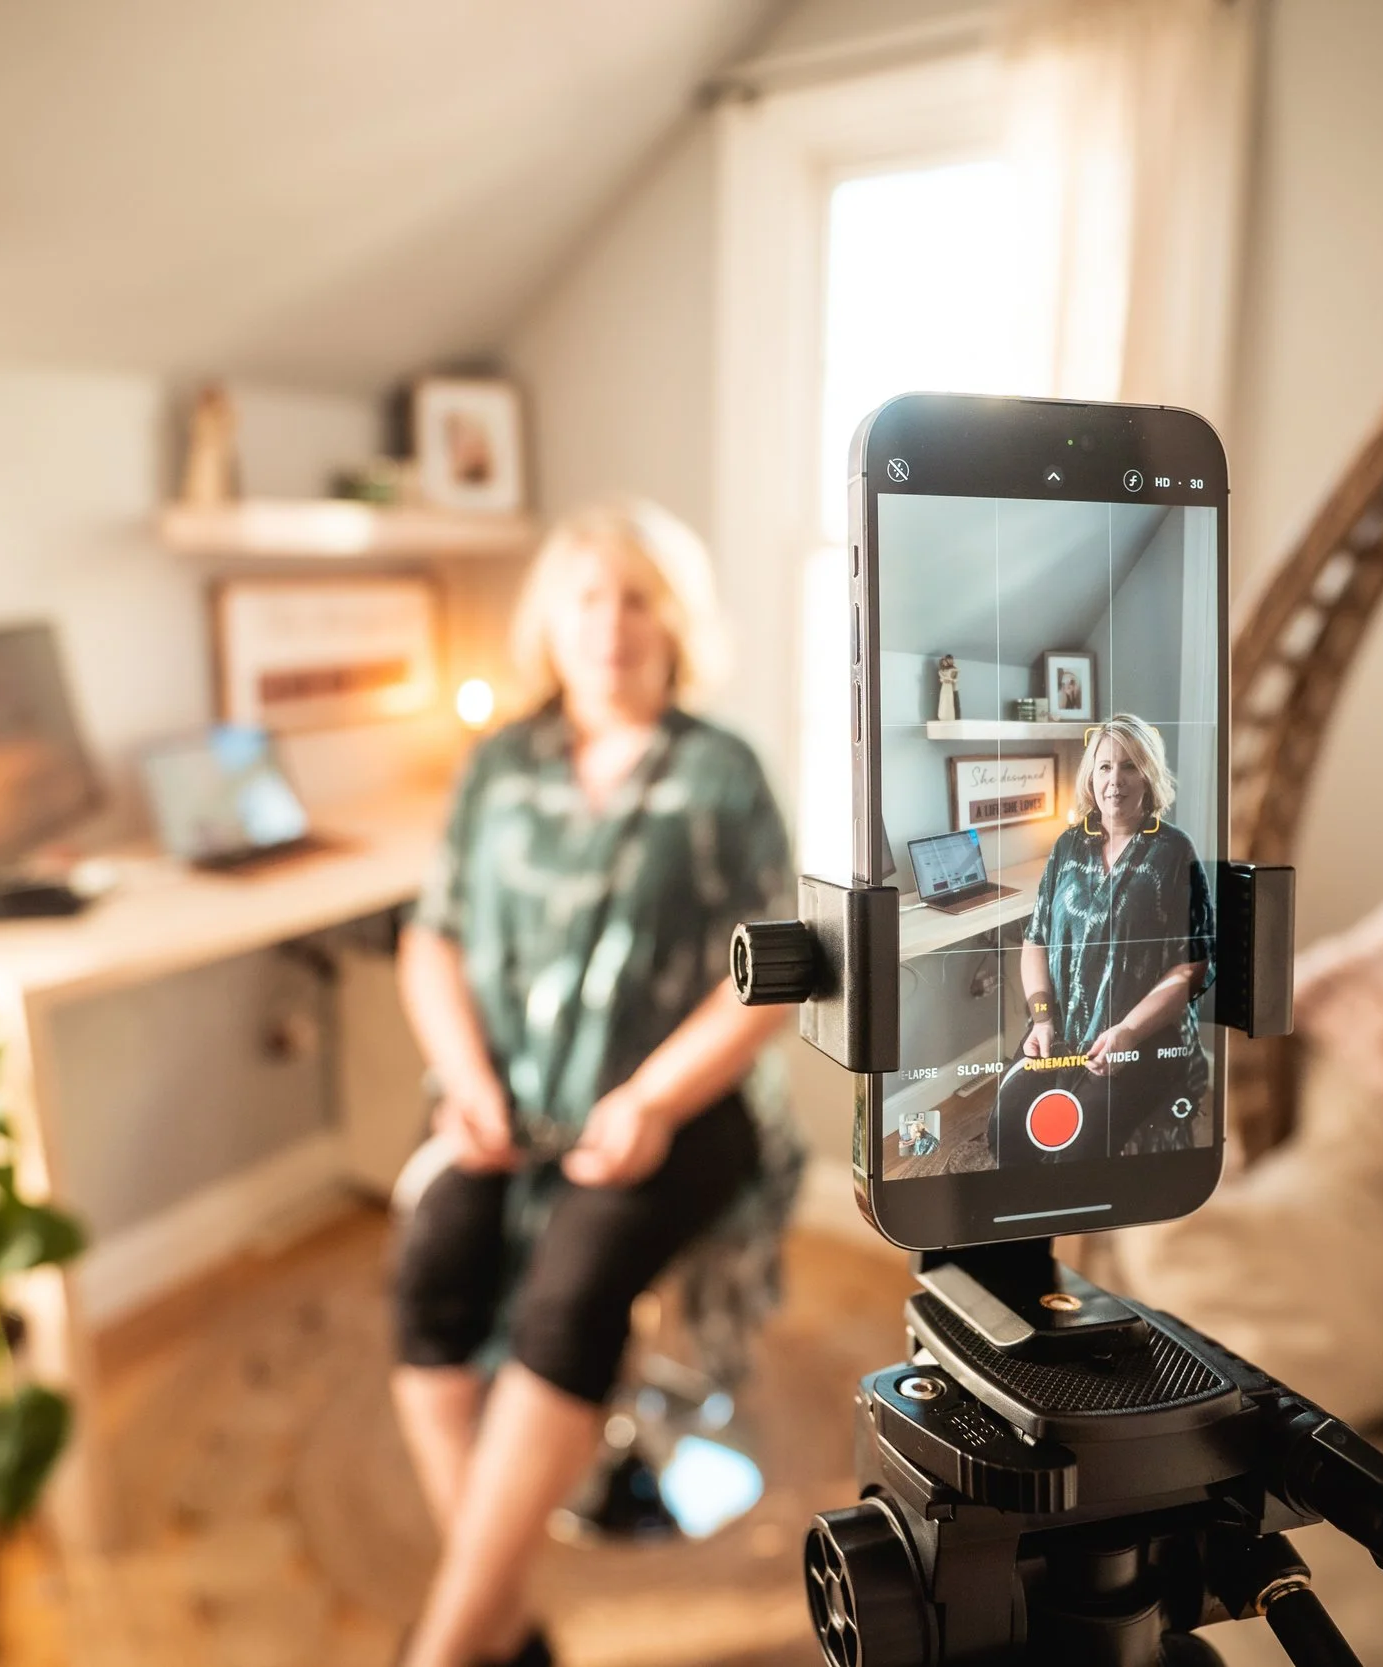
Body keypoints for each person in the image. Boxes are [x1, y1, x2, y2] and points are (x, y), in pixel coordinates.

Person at [388, 499, 800, 1667]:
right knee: (431, 1262)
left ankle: (447, 1644)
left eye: (635, 597)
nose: (609, 624)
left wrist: (653, 1101)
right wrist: (465, 1082)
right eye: (585, 598)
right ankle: (501, 1624)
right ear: (548, 626)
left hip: (683, 1109)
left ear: (672, 624)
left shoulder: (722, 775)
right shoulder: (497, 767)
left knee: (566, 1296)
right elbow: (433, 938)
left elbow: (769, 975)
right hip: (504, 1103)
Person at [1010, 713, 1213, 1157]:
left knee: (1076, 1150)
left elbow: (1193, 966)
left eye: (1129, 766)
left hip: (1138, 1039)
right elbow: (1034, 941)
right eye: (1104, 766)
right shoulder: (1068, 845)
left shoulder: (1174, 850)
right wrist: (1042, 1018)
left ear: (1149, 776)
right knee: (1006, 1131)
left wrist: (1128, 1033)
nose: (1115, 781)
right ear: (1091, 776)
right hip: (1061, 1030)